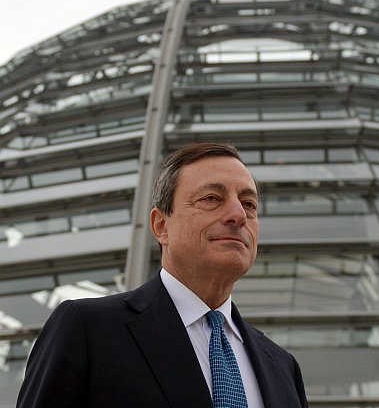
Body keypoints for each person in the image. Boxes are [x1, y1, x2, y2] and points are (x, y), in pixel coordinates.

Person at [17, 142, 308, 407]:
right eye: (211, 198)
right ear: (160, 226)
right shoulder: (87, 330)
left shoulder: (282, 368)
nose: (238, 214)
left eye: (249, 204)